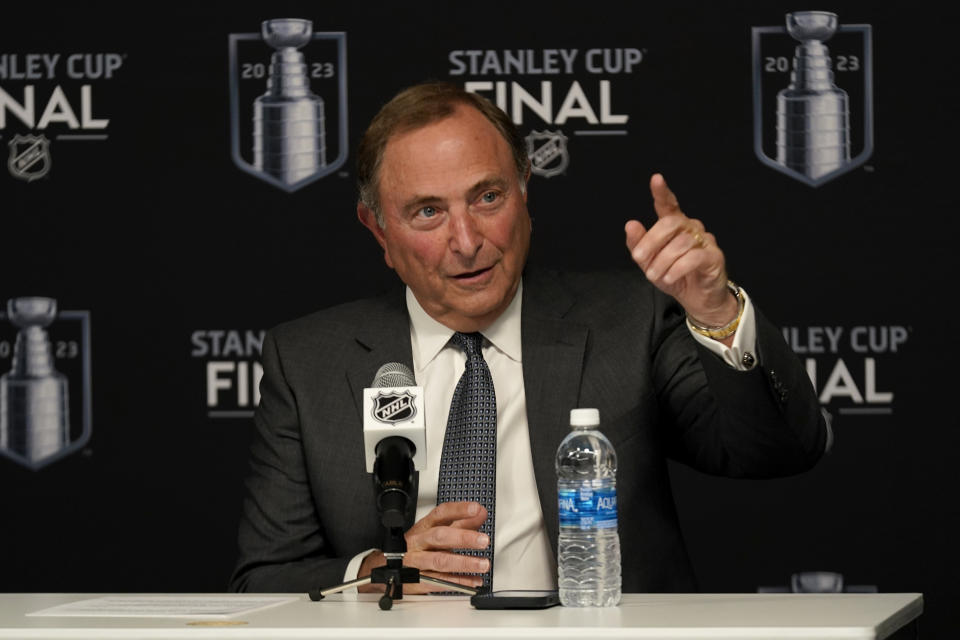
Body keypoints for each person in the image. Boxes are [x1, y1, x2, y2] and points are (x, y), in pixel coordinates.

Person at [228, 81, 828, 595]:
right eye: (428, 213)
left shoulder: (627, 322)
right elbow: (264, 579)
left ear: (524, 194)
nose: (467, 240)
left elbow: (780, 451)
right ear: (378, 230)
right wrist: (381, 571)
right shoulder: (307, 361)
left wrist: (716, 309)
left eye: (487, 197)